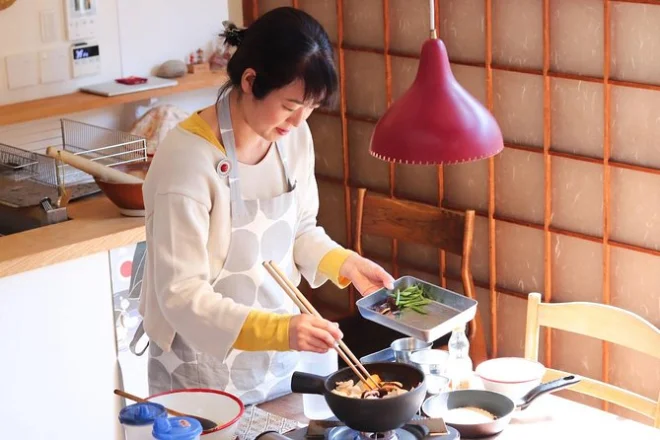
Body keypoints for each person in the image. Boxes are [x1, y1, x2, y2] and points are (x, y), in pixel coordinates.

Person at [133, 7, 395, 406]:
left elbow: (300, 230)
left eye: (310, 107)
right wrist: (282, 331)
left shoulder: (292, 138)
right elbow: (181, 295)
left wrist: (345, 264)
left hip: (278, 364)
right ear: (250, 80)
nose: (299, 120)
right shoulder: (186, 161)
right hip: (202, 370)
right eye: (290, 106)